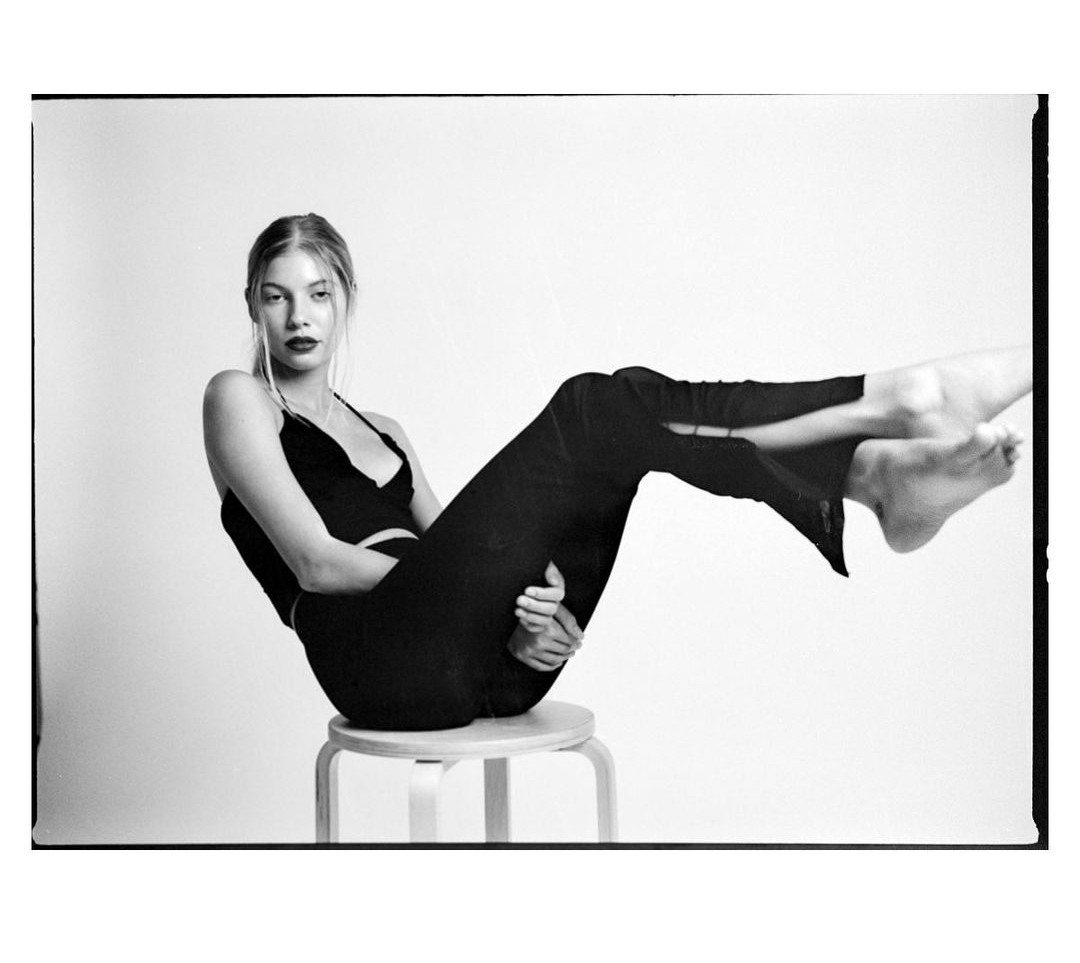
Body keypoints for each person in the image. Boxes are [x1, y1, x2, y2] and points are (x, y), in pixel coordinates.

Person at [203, 214, 1032, 731]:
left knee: (616, 433)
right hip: (377, 665)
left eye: (317, 293)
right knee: (594, 406)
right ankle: (881, 435)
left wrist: (530, 610)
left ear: (344, 298)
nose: (300, 315)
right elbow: (315, 562)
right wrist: (485, 583)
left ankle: (877, 464)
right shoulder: (239, 398)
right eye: (277, 296)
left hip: (486, 669)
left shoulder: (386, 431)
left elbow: (461, 541)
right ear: (252, 305)